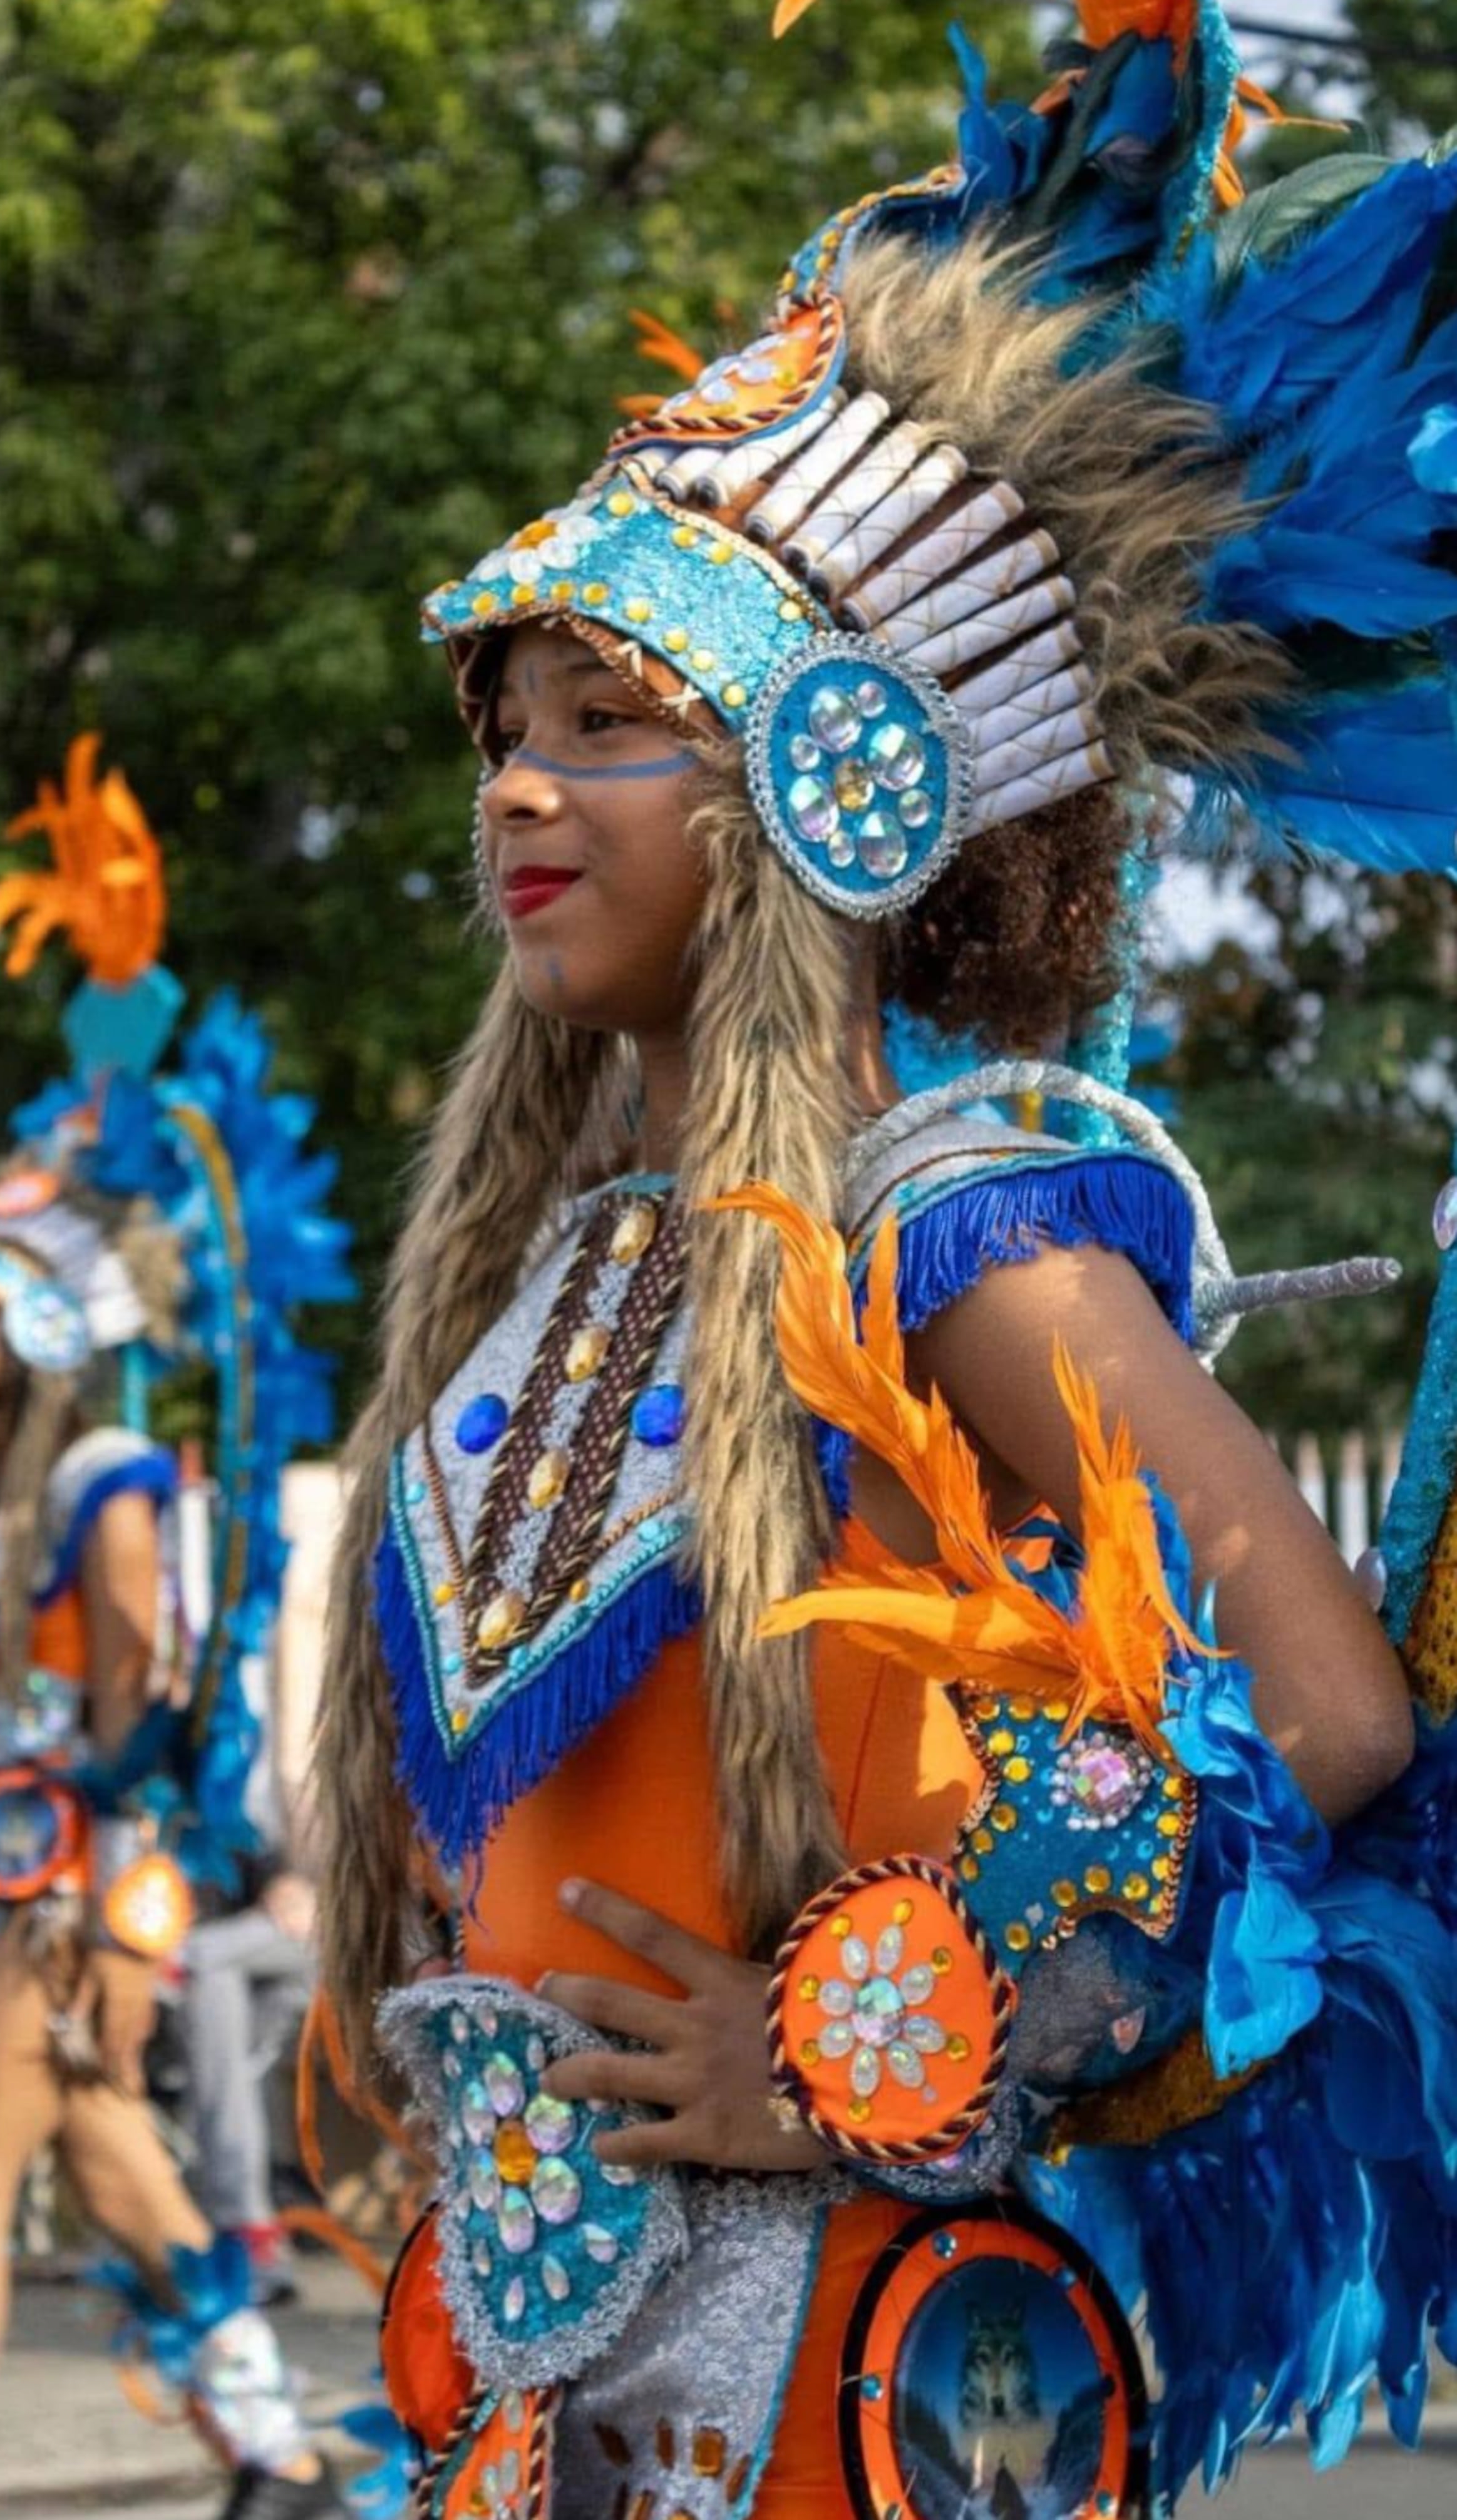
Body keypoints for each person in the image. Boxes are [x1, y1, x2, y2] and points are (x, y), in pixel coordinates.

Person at [316, 5, 1457, 2514]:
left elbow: (1324, 1712)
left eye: (610, 714)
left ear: (830, 769)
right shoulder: (544, 1268)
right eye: (501, 711)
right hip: (528, 2379)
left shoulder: (951, 1225)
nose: (514, 771)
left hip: (848, 2359)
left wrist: (885, 2027)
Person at [0, 742, 353, 2520]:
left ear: (51, 1324)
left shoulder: (110, 1475)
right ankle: (280, 2449)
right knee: (115, 2156)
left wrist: (95, 1809)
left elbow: (140, 1676)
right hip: (2, 1869)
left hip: (84, 1871)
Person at [181, 1851, 319, 2304]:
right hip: (241, 1953)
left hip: (321, 1927)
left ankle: (239, 2225)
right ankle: (247, 2229)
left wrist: (298, 1879)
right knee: (216, 1994)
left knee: (201, 1961)